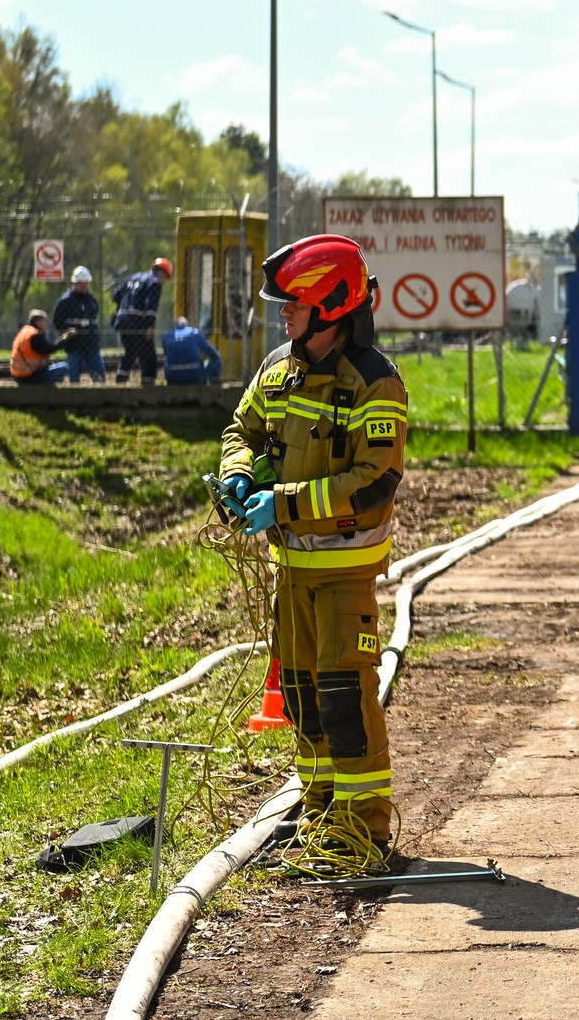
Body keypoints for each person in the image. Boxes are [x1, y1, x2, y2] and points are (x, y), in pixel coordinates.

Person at [216, 235, 408, 876]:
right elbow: (240, 429)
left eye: (292, 303)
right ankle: (319, 813)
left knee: (344, 699)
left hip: (343, 572)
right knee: (300, 693)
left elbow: (373, 485)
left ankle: (362, 832)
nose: (282, 314)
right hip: (291, 570)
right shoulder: (279, 369)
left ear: (330, 305)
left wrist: (285, 503)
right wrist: (240, 475)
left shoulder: (374, 385)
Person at [112, 257, 173, 386]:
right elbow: (151, 307)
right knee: (148, 355)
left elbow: (116, 295)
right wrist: (150, 326)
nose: (164, 281)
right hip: (138, 323)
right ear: (161, 272)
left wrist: (124, 308)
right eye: (165, 277)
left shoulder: (132, 278)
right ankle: (148, 384)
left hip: (122, 321)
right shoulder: (154, 282)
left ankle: (120, 380)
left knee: (130, 351)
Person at [54, 265, 105, 384]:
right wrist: (67, 331)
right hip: (74, 345)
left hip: (91, 344)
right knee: (74, 375)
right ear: (75, 283)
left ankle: (101, 394)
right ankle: (74, 397)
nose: (84, 285)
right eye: (81, 283)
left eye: (86, 283)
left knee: (99, 374)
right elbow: (57, 322)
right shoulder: (65, 301)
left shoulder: (91, 300)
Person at [10, 310, 71, 385]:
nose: (46, 324)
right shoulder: (34, 336)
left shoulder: (25, 332)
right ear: (38, 322)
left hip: (19, 376)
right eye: (44, 321)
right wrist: (64, 339)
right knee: (65, 367)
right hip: (31, 377)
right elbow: (48, 349)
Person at [163, 316, 223, 384]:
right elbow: (213, 354)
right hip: (194, 376)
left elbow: (167, 355)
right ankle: (213, 382)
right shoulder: (195, 333)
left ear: (174, 326)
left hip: (172, 377)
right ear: (186, 325)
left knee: (166, 361)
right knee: (216, 359)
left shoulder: (167, 336)